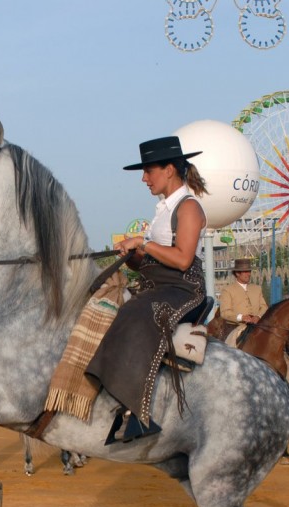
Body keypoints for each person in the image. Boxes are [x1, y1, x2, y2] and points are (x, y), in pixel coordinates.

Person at [85, 135, 208, 443]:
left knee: (137, 312)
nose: (143, 178)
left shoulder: (188, 207)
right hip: (158, 285)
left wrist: (142, 242)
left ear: (169, 169)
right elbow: (148, 264)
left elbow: (182, 260)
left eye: (148, 171)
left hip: (184, 289)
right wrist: (133, 257)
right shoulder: (162, 210)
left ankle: (137, 413)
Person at [218, 257, 269, 339]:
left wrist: (258, 316)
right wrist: (241, 317)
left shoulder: (257, 288)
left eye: (249, 271)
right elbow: (225, 312)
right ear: (237, 273)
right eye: (245, 272)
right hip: (235, 328)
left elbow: (264, 306)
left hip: (257, 327)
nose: (248, 274)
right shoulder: (227, 290)